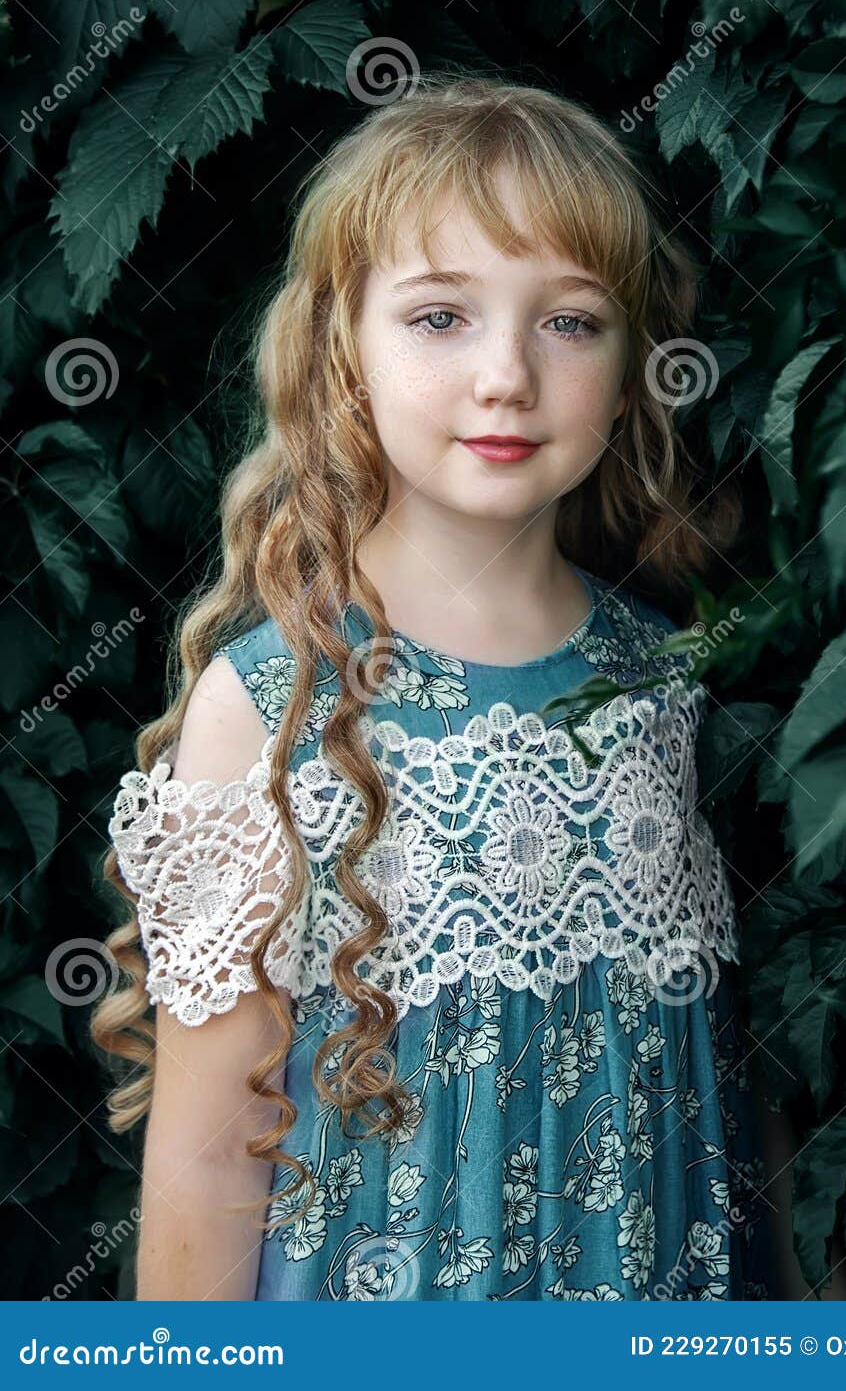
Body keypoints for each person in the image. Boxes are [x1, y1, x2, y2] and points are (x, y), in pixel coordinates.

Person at [91, 72, 787, 1302]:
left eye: (569, 320)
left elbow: (718, 1088)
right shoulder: (269, 706)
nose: (507, 375)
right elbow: (201, 1165)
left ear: (633, 371)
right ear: (340, 351)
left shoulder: (661, 674)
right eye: (439, 318)